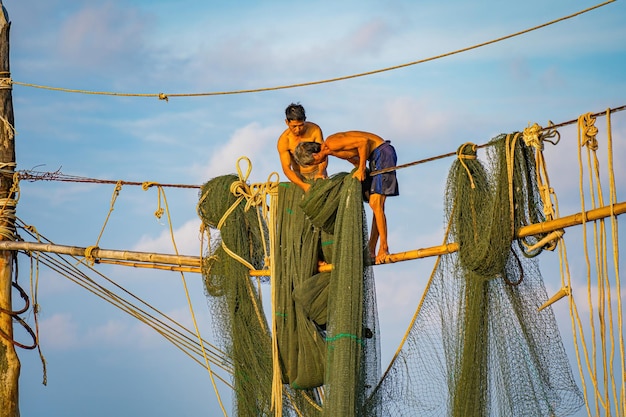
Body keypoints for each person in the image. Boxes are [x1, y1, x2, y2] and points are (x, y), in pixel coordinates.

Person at [295, 131, 399, 264]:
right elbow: (352, 157)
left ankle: (384, 247)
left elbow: (363, 142)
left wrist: (362, 169)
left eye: (312, 163)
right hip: (375, 158)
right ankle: (372, 248)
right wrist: (359, 169)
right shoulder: (331, 151)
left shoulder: (331, 143)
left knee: (375, 203)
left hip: (382, 153)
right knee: (376, 205)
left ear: (315, 155)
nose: (315, 165)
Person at [277, 103, 328, 192]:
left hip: (318, 172)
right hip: (299, 176)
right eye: (294, 126)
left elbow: (324, 153)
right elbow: (286, 169)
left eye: (301, 125)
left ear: (305, 120)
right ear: (287, 122)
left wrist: (320, 172)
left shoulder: (314, 130)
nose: (298, 129)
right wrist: (303, 185)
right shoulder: (284, 140)